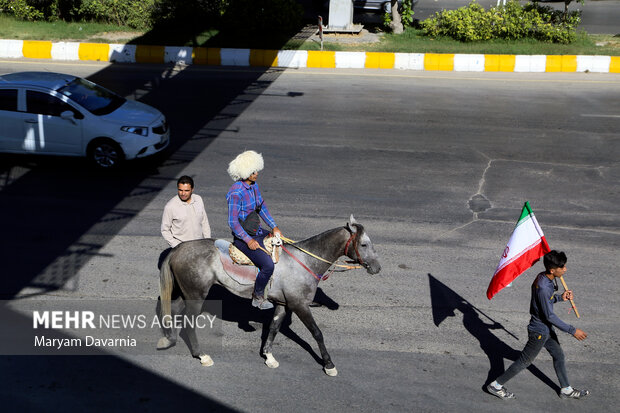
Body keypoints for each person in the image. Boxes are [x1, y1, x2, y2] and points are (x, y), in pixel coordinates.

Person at [487, 250, 589, 400]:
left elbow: (545, 303)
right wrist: (572, 330)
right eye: (562, 267)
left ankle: (566, 389)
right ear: (553, 270)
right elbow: (549, 315)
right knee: (524, 361)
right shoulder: (543, 287)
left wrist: (561, 298)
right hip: (539, 331)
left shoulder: (544, 277)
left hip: (546, 329)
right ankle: (495, 385)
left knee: (559, 355)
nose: (565, 269)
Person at [226, 150, 281, 310]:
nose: (256, 173)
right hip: (243, 238)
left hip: (257, 231)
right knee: (268, 265)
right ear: (245, 172)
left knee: (280, 245)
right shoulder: (236, 192)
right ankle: (257, 296)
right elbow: (233, 222)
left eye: (256, 170)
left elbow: (261, 207)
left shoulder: (254, 186)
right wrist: (248, 240)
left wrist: (274, 226)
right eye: (253, 171)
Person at [161, 175, 211, 248]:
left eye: (186, 190)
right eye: (180, 190)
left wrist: (208, 242)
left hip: (199, 247)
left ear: (192, 189)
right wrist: (176, 246)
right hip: (181, 249)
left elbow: (204, 222)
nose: (183, 193)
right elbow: (165, 230)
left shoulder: (198, 199)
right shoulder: (170, 206)